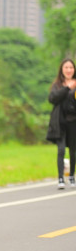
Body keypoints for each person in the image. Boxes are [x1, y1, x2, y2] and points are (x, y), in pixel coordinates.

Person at [47, 59, 76, 189]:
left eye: (71, 67)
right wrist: (67, 88)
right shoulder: (57, 85)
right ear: (62, 70)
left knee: (73, 151)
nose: (69, 70)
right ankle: (60, 178)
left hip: (73, 122)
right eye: (66, 67)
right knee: (61, 149)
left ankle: (72, 176)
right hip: (59, 122)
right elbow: (52, 99)